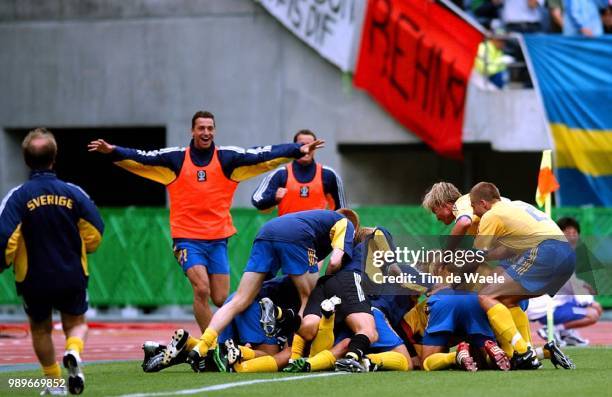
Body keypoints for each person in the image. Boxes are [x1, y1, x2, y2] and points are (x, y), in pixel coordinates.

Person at [88, 111, 323, 333]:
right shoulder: (176, 159)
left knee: (221, 298)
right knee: (201, 289)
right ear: (192, 130)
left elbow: (260, 154)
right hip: (187, 238)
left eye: (210, 128)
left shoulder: (227, 159)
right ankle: (210, 346)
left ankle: (220, 340)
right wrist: (113, 151)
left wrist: (295, 149)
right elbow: (143, 157)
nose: (206, 132)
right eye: (201, 128)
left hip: (217, 239)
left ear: (215, 131)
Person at [184, 209, 355, 372]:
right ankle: (294, 353)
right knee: (309, 300)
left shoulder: (319, 224)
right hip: (296, 236)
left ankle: (202, 344)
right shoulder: (346, 224)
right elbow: (334, 261)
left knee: (240, 300)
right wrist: (328, 284)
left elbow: (313, 264)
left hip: (267, 231)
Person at [0, 128, 104, 395]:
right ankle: (73, 350)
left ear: (25, 160)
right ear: (54, 158)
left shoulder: (17, 196)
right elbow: (95, 231)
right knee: (77, 324)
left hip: (33, 278)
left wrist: (3, 262)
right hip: (71, 273)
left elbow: (5, 237)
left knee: (40, 328)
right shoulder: (74, 192)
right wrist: (86, 248)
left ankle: (54, 382)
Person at [470, 182, 575, 370]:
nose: (473, 211)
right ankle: (533, 354)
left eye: (474, 205)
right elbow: (507, 250)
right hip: (566, 255)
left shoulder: (491, 215)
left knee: (486, 295)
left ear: (484, 203)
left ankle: (523, 351)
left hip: (546, 251)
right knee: (508, 301)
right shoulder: (516, 205)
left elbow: (476, 256)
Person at [251, 129, 345, 215]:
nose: (307, 148)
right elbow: (257, 200)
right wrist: (273, 197)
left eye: (310, 145)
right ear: (294, 147)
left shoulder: (328, 175)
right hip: (287, 231)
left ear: (315, 147)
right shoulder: (280, 175)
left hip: (316, 232)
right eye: (302, 145)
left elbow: (341, 210)